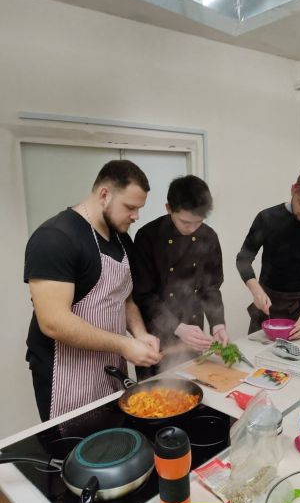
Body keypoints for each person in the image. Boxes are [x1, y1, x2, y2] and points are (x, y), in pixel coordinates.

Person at [24, 160, 162, 421]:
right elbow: (53, 322)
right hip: (67, 374)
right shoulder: (55, 238)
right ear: (104, 194)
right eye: (130, 207)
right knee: (77, 443)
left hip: (110, 366)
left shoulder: (122, 238)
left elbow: (124, 297)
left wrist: (140, 333)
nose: (136, 216)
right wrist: (124, 344)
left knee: (114, 435)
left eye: (139, 208)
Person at [132, 175, 228, 377]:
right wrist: (177, 327)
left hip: (194, 332)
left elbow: (211, 287)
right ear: (169, 208)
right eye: (185, 222)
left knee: (195, 385)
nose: (192, 228)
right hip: (156, 337)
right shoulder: (147, 237)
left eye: (198, 222)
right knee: (157, 391)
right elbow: (144, 295)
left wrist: (218, 324)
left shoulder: (209, 236)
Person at [236, 164, 300, 340]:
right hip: (267, 304)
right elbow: (243, 259)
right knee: (255, 355)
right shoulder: (267, 218)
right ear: (294, 189)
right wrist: (256, 290)